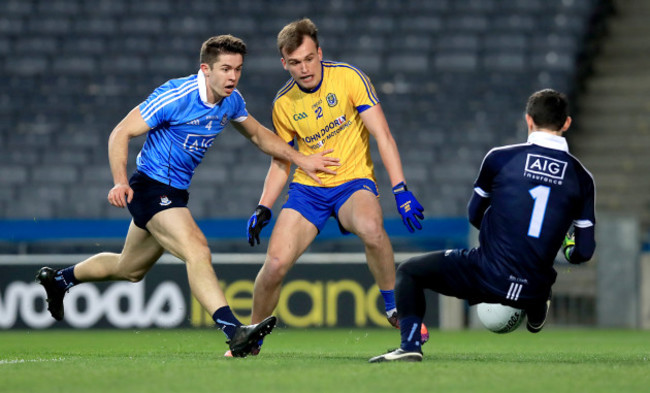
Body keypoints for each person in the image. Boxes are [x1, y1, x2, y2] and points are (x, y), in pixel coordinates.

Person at [35, 35, 339, 358]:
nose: (233, 77)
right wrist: (119, 181)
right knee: (197, 249)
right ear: (205, 69)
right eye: (225, 69)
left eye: (238, 69)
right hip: (150, 188)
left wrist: (302, 159)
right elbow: (119, 133)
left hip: (175, 193)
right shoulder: (174, 95)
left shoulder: (231, 100)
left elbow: (260, 136)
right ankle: (234, 331)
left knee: (130, 269)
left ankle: (59, 280)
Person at [369, 89, 596, 362]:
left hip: (485, 272)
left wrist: (503, 226)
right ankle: (537, 304)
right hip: (535, 282)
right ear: (567, 123)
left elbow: (474, 215)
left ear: (528, 120)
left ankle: (410, 346)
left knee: (409, 272)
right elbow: (583, 252)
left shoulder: (500, 158)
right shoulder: (582, 178)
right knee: (537, 269)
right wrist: (567, 248)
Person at [245, 18, 424, 344]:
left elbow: (382, 135)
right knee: (273, 265)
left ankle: (392, 307)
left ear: (320, 53)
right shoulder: (283, 104)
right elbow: (281, 161)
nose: (304, 68)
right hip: (308, 190)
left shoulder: (349, 77)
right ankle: (251, 335)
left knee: (371, 229)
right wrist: (263, 206)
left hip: (353, 182)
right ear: (284, 63)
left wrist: (401, 189)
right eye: (295, 62)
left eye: (310, 58)